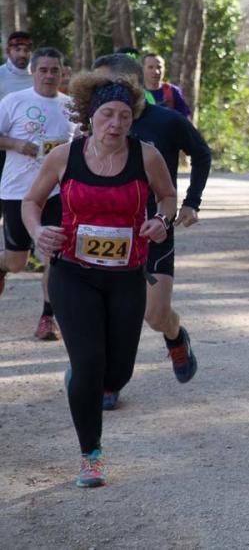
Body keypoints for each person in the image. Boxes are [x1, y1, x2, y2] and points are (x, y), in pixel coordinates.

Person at [23, 72, 176, 487]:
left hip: (126, 276)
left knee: (117, 374)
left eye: (125, 116)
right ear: (91, 116)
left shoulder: (146, 156)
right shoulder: (64, 156)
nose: (116, 123)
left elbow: (166, 196)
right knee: (89, 364)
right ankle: (91, 455)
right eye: (107, 114)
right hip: (74, 273)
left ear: (132, 120)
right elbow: (32, 201)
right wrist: (38, 232)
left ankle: (91, 378)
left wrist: (162, 220)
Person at [92, 53, 211, 409]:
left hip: (154, 227)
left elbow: (201, 154)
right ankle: (107, 382)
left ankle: (175, 338)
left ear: (133, 85)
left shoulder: (168, 122)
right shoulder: (95, 120)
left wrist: (191, 202)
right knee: (103, 311)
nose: (102, 93)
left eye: (109, 85)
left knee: (155, 314)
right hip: (108, 230)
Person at [0, 48, 74, 339]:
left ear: (62, 72)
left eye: (54, 70)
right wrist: (17, 145)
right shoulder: (14, 101)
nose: (49, 75)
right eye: (43, 69)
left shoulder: (71, 106)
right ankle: (3, 265)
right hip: (17, 191)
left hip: (55, 193)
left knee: (54, 255)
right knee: (17, 262)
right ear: (33, 72)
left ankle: (48, 317)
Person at [0, 31, 35, 235]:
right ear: (8, 51)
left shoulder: (36, 77)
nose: (22, 54)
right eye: (17, 49)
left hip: (29, 156)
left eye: (26, 50)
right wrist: (13, 144)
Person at [141, 53, 192, 119]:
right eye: (150, 67)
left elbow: (185, 120)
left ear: (164, 69)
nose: (156, 72)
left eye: (159, 67)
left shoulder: (173, 91)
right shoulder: (137, 92)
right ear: (143, 69)